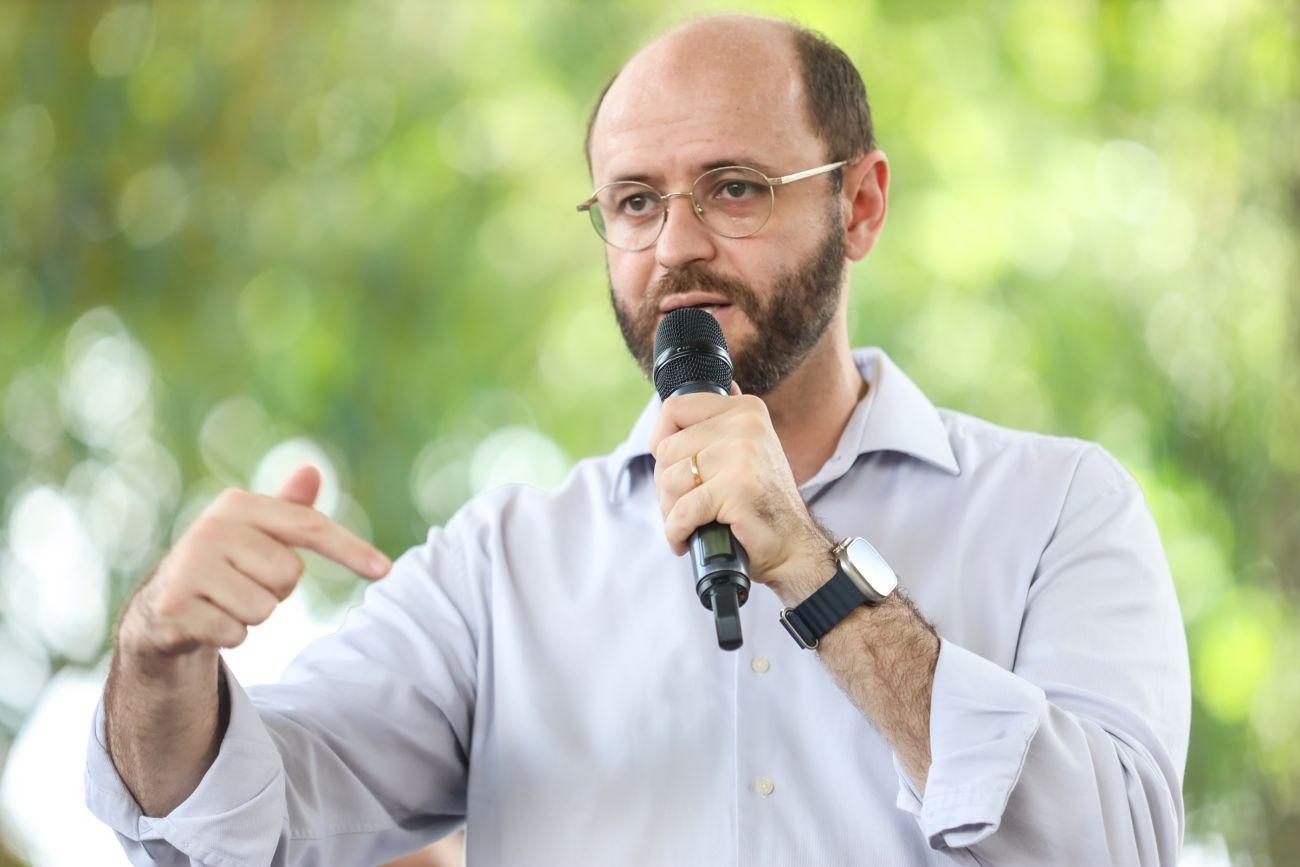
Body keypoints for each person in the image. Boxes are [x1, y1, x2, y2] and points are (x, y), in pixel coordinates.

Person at [85, 13, 1190, 866]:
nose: (675, 249)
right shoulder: (503, 569)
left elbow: (1118, 847)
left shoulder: (1056, 508)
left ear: (859, 205)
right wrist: (157, 660)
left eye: (735, 190)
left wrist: (813, 570)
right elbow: (238, 827)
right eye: (633, 203)